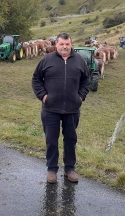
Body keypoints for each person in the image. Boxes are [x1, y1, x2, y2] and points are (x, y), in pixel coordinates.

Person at [31, 32, 89, 184]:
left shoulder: (79, 61)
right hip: (50, 109)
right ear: (56, 44)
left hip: (72, 109)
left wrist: (80, 97)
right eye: (61, 44)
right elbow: (36, 79)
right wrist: (44, 96)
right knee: (51, 140)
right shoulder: (46, 60)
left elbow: (86, 81)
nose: (64, 47)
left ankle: (70, 169)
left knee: (70, 139)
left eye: (67, 44)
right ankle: (52, 169)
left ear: (71, 45)